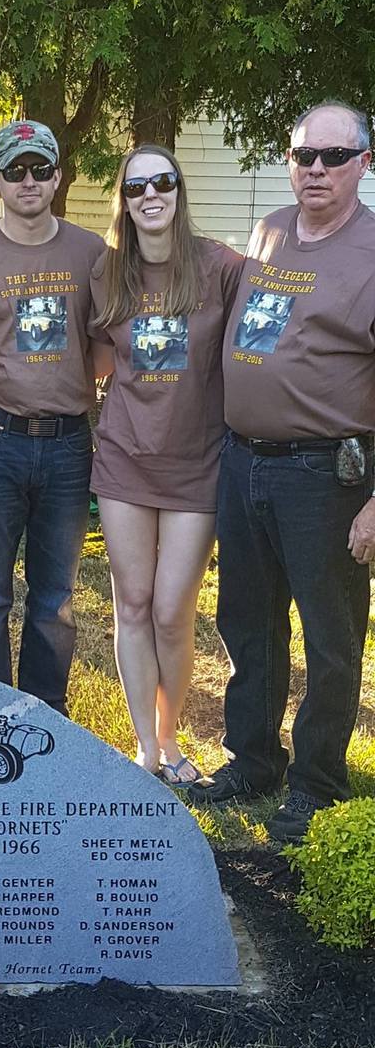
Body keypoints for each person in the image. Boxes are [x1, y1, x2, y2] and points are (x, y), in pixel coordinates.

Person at [187, 100, 375, 842]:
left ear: (365, 161)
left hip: (326, 473)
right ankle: (254, 760)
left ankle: (318, 779)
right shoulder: (268, 231)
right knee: (247, 621)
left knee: (330, 636)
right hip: (245, 463)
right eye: (304, 157)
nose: (317, 170)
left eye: (334, 156)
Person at [0, 120, 104, 713]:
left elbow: (107, 341)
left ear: (58, 176)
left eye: (40, 169)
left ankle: (43, 721)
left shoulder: (91, 254)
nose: (28, 180)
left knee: (55, 597)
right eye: (15, 170)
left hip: (66, 444)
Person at [88, 145, 243, 784]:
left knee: (173, 608)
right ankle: (147, 750)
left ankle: (173, 737)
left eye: (163, 182)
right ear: (123, 201)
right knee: (133, 603)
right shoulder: (108, 273)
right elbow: (98, 362)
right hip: (125, 458)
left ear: (179, 192)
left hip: (196, 464)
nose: (150, 195)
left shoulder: (221, 268)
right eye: (136, 187)